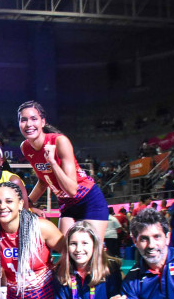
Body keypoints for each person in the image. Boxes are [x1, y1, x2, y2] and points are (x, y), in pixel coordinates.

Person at [18, 101, 108, 240]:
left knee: (91, 248)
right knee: (64, 249)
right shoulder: (25, 147)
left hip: (88, 200)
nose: (29, 124)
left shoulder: (60, 141)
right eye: (23, 120)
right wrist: (27, 203)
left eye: (34, 119)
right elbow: (43, 181)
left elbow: (72, 190)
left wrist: (53, 163)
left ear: (43, 122)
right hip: (66, 204)